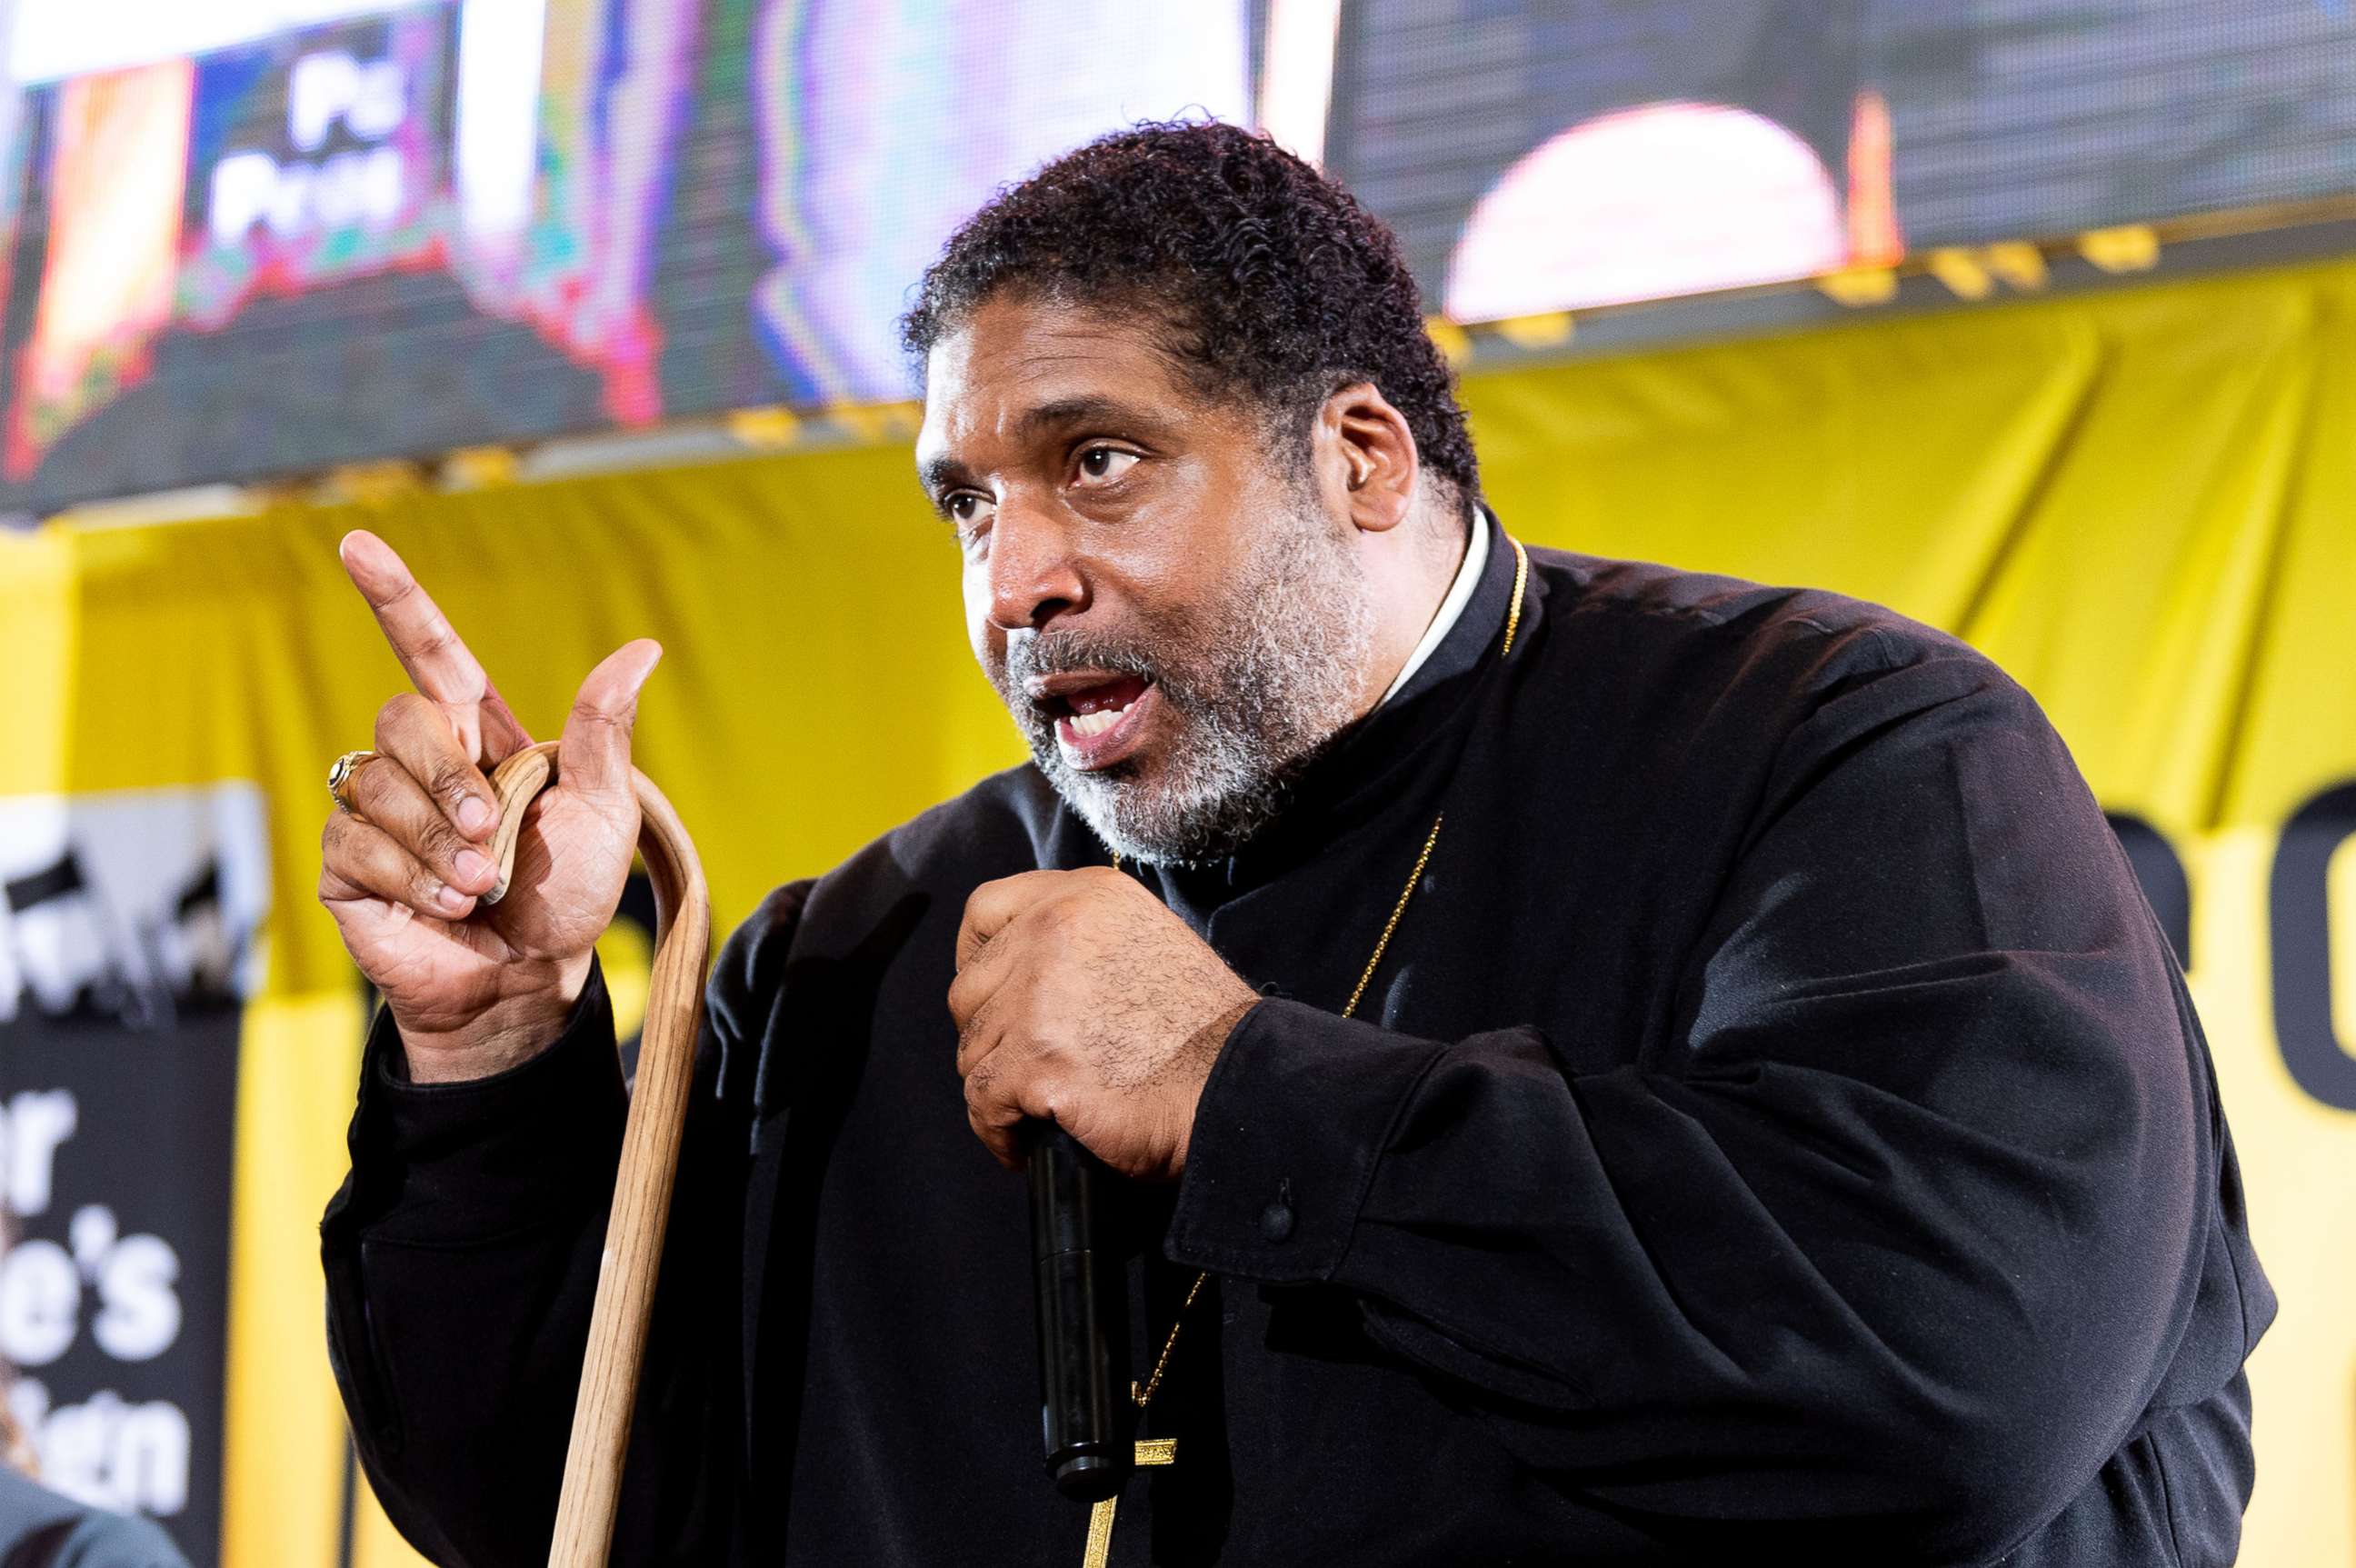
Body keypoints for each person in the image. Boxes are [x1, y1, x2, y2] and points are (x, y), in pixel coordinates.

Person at [317, 122, 2270, 1565]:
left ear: (1361, 456)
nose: (1019, 579)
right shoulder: (861, 954)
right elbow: (539, 1497)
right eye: (963, 507)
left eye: (1095, 459)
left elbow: (1948, 1373)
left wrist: (1245, 1088)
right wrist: (491, 1056)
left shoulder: (1839, 756)